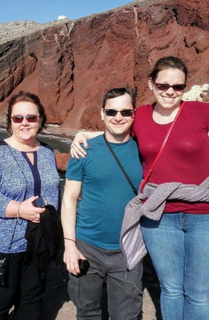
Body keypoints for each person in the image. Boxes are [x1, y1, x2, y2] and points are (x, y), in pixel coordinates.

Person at [71, 56, 209, 320]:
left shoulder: (204, 113)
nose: (170, 92)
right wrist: (83, 134)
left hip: (208, 217)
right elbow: (118, 131)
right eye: (163, 85)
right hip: (160, 218)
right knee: (172, 290)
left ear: (185, 88)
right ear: (151, 84)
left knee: (198, 293)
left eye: (178, 87)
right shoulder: (140, 115)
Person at [0, 91, 61, 320]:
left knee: (31, 305)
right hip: (3, 246)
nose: (25, 123)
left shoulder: (47, 152)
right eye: (18, 118)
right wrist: (19, 209)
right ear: (10, 121)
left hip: (38, 244)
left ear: (40, 120)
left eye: (31, 118)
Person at [62, 87, 144, 320]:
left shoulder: (145, 150)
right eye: (112, 111)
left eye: (125, 112)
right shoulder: (83, 151)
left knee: (126, 315)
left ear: (134, 114)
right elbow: (69, 199)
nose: (118, 117)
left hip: (128, 250)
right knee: (87, 312)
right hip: (87, 247)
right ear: (102, 114)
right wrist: (70, 245)